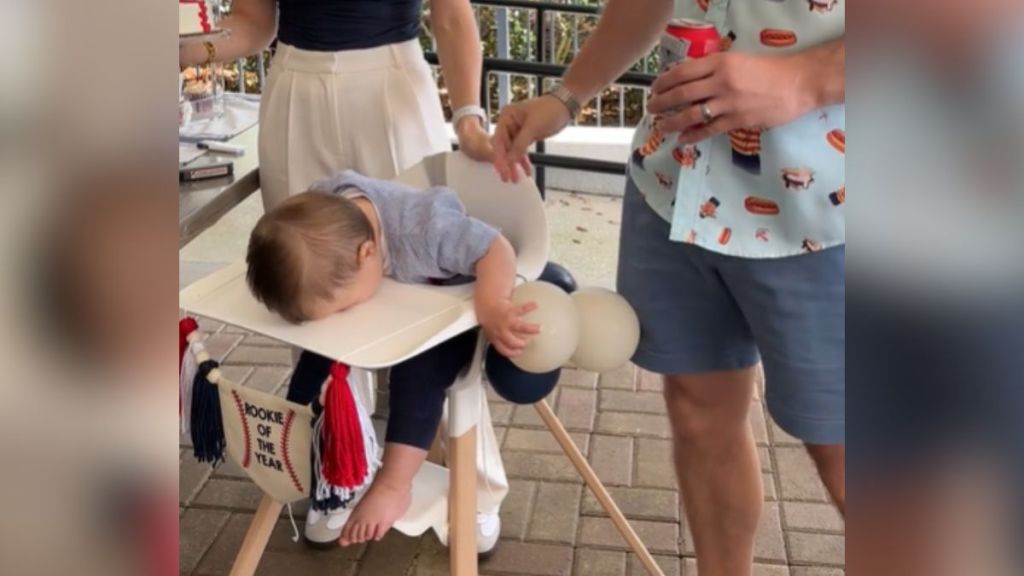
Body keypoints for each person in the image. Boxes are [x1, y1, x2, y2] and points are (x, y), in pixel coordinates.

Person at [493, 1, 844, 574]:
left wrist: (805, 77)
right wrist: (567, 96)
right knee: (699, 412)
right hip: (677, 179)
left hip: (833, 210)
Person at [180, 0, 510, 551]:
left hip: (391, 85)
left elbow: (451, 17)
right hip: (294, 90)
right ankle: (337, 474)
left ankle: (469, 486)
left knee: (427, 294)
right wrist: (180, 50)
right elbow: (255, 24)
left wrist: (470, 117)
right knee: (311, 289)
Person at [246, 171, 539, 545]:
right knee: (317, 356)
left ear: (367, 253)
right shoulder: (323, 210)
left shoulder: (425, 231)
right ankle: (322, 467)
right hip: (395, 305)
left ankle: (394, 486)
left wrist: (493, 303)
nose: (342, 312)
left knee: (418, 375)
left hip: (449, 304)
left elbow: (495, 248)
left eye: (343, 303)